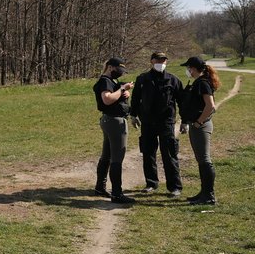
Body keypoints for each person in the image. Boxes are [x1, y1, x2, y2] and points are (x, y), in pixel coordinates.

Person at [130, 51, 183, 196]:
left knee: (169, 154)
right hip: (147, 122)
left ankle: (175, 187)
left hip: (166, 122)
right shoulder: (142, 79)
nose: (161, 63)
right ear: (152, 61)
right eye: (158, 60)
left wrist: (185, 121)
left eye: (164, 60)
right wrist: (133, 115)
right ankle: (151, 183)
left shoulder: (173, 80)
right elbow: (135, 98)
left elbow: (182, 101)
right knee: (148, 153)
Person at [93, 57, 136, 204]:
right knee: (117, 158)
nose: (121, 74)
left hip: (109, 120)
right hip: (114, 122)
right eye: (119, 70)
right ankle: (117, 193)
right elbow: (107, 99)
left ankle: (100, 187)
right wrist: (123, 89)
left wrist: (124, 93)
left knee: (107, 155)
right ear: (110, 67)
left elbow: (115, 95)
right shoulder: (105, 81)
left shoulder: (110, 81)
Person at [179, 56, 220, 205]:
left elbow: (211, 106)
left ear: (194, 68)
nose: (187, 70)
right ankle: (204, 193)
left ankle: (209, 195)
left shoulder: (202, 83)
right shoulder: (198, 82)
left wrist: (198, 122)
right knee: (201, 160)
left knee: (204, 160)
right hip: (197, 125)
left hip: (201, 126)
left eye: (188, 68)